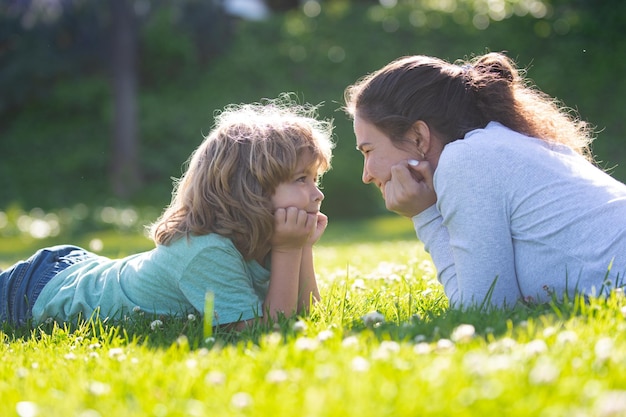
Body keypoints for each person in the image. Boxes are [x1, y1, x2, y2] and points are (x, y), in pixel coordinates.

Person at [1, 95, 334, 328]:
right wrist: (291, 250)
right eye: (301, 179)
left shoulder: (266, 238)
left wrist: (300, 247)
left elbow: (305, 316)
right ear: (250, 186)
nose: (316, 193)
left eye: (315, 179)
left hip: (80, 268)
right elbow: (265, 335)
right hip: (33, 292)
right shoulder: (207, 251)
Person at [344, 52, 626, 309]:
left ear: (418, 137)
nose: (366, 175)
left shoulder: (467, 160)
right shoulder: (493, 147)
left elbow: (484, 307)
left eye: (368, 151)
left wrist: (425, 215)